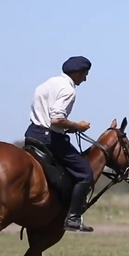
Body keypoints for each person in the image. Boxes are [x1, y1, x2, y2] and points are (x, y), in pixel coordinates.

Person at [24, 56, 96, 232]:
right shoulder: (68, 90)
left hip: (32, 133)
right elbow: (56, 119)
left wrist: (67, 128)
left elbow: (47, 117)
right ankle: (73, 218)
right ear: (77, 73)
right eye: (85, 75)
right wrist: (78, 126)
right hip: (50, 139)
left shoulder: (46, 84)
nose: (85, 79)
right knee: (85, 173)